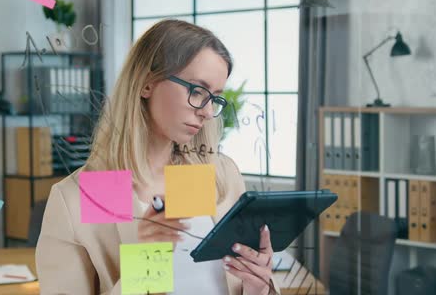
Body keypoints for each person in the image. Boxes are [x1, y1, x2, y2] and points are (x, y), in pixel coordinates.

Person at [36, 19, 280, 295]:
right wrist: (145, 266)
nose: (207, 112)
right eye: (197, 91)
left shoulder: (215, 174)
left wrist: (258, 287)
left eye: (215, 98)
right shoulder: (90, 192)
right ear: (146, 84)